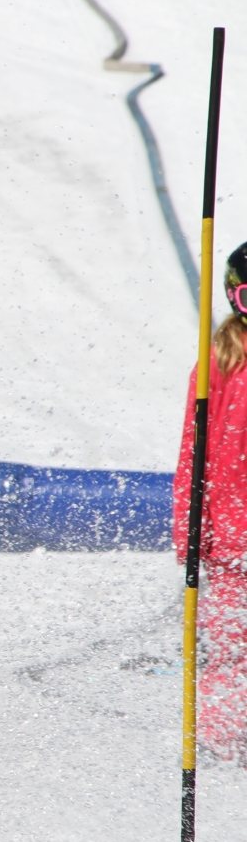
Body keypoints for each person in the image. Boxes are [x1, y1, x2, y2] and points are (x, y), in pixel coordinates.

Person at [176, 241, 247, 764]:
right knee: (228, 648)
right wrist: (189, 533)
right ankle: (226, 742)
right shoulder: (217, 363)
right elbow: (191, 456)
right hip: (228, 540)